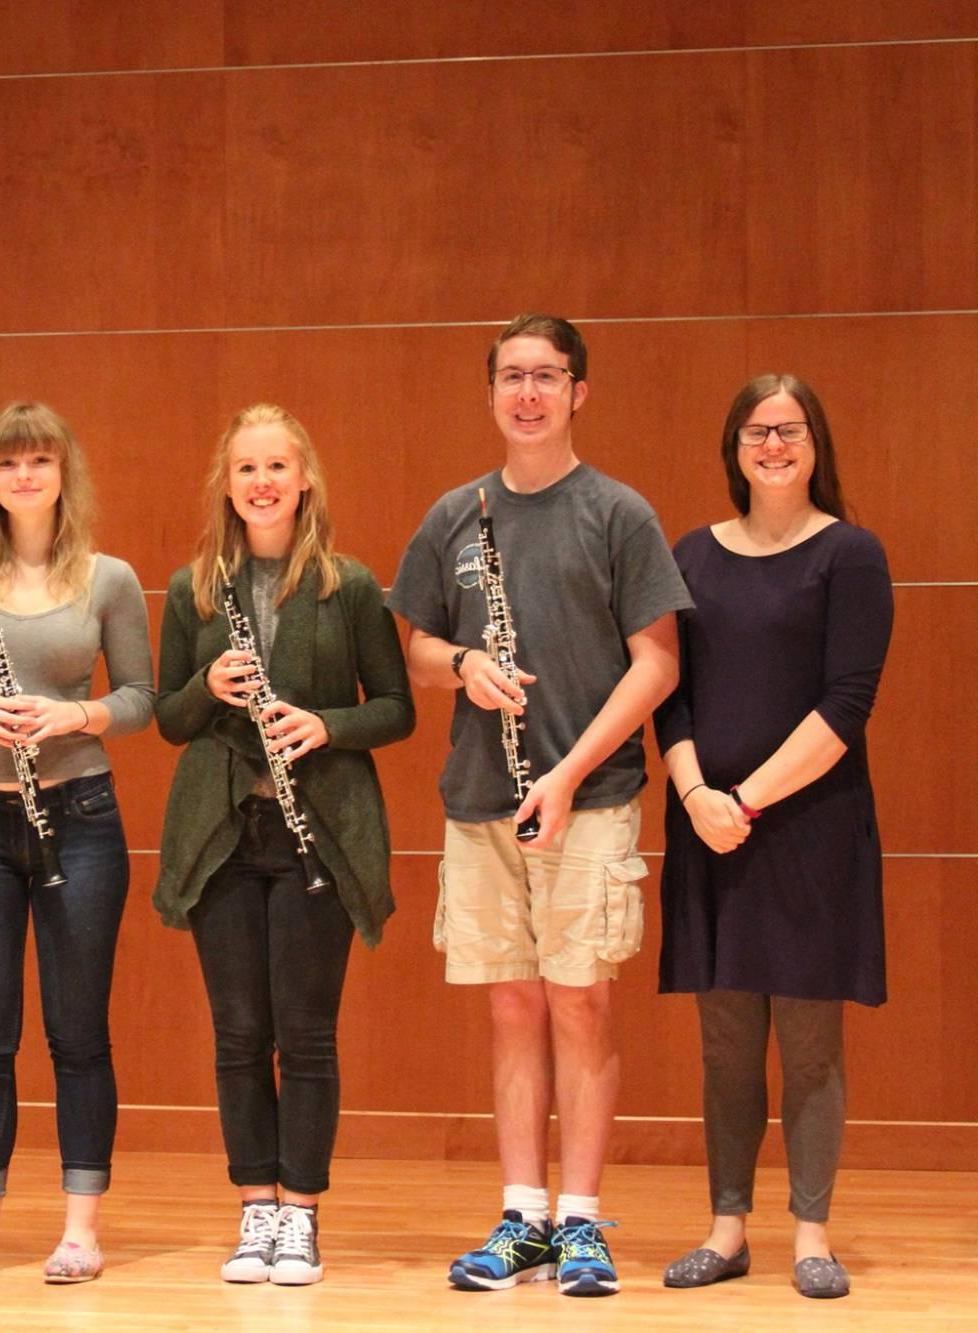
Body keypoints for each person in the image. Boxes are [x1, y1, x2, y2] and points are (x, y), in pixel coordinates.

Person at [388, 314, 689, 1297]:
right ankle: (520, 1215)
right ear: (490, 393)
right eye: (510, 376)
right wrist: (463, 664)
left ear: (576, 392)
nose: (526, 393)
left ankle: (581, 1221)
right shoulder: (453, 516)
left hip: (587, 796)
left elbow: (655, 663)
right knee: (510, 1003)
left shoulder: (616, 513)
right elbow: (413, 650)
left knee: (580, 999)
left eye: (545, 376)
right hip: (478, 796)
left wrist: (562, 776)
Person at [153, 403, 413, 1287]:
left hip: (318, 831)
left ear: (304, 480)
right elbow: (167, 719)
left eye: (276, 467)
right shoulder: (196, 588)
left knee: (304, 1035)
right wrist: (207, 682)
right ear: (227, 486)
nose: (262, 482)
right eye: (245, 469)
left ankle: (300, 1214)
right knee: (237, 1032)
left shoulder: (351, 584)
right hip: (226, 832)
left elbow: (396, 708)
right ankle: (254, 1207)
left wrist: (323, 724)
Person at [654, 375, 891, 1301]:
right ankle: (726, 1229)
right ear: (734, 446)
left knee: (809, 1039)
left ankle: (811, 1233)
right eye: (758, 430)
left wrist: (740, 800)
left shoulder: (852, 554)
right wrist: (694, 795)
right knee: (724, 1041)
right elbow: (665, 689)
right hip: (707, 826)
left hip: (806, 828)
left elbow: (847, 705)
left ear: (815, 443)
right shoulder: (691, 555)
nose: (775, 444)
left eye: (790, 430)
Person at [0, 402, 154, 1285]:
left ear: (63, 474)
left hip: (79, 814)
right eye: (9, 462)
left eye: (40, 461)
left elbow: (139, 696)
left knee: (79, 1032)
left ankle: (81, 1229)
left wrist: (74, 713)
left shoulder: (109, 578)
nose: (24, 476)